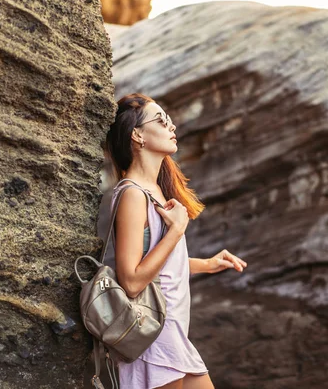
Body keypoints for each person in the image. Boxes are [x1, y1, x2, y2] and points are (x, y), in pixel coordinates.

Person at [103, 93, 248, 389]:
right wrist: (176, 231)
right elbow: (131, 280)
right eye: (160, 120)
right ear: (137, 135)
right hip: (152, 334)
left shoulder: (154, 189)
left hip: (171, 333)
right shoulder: (131, 194)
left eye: (169, 120)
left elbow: (158, 262)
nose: (171, 126)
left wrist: (206, 264)